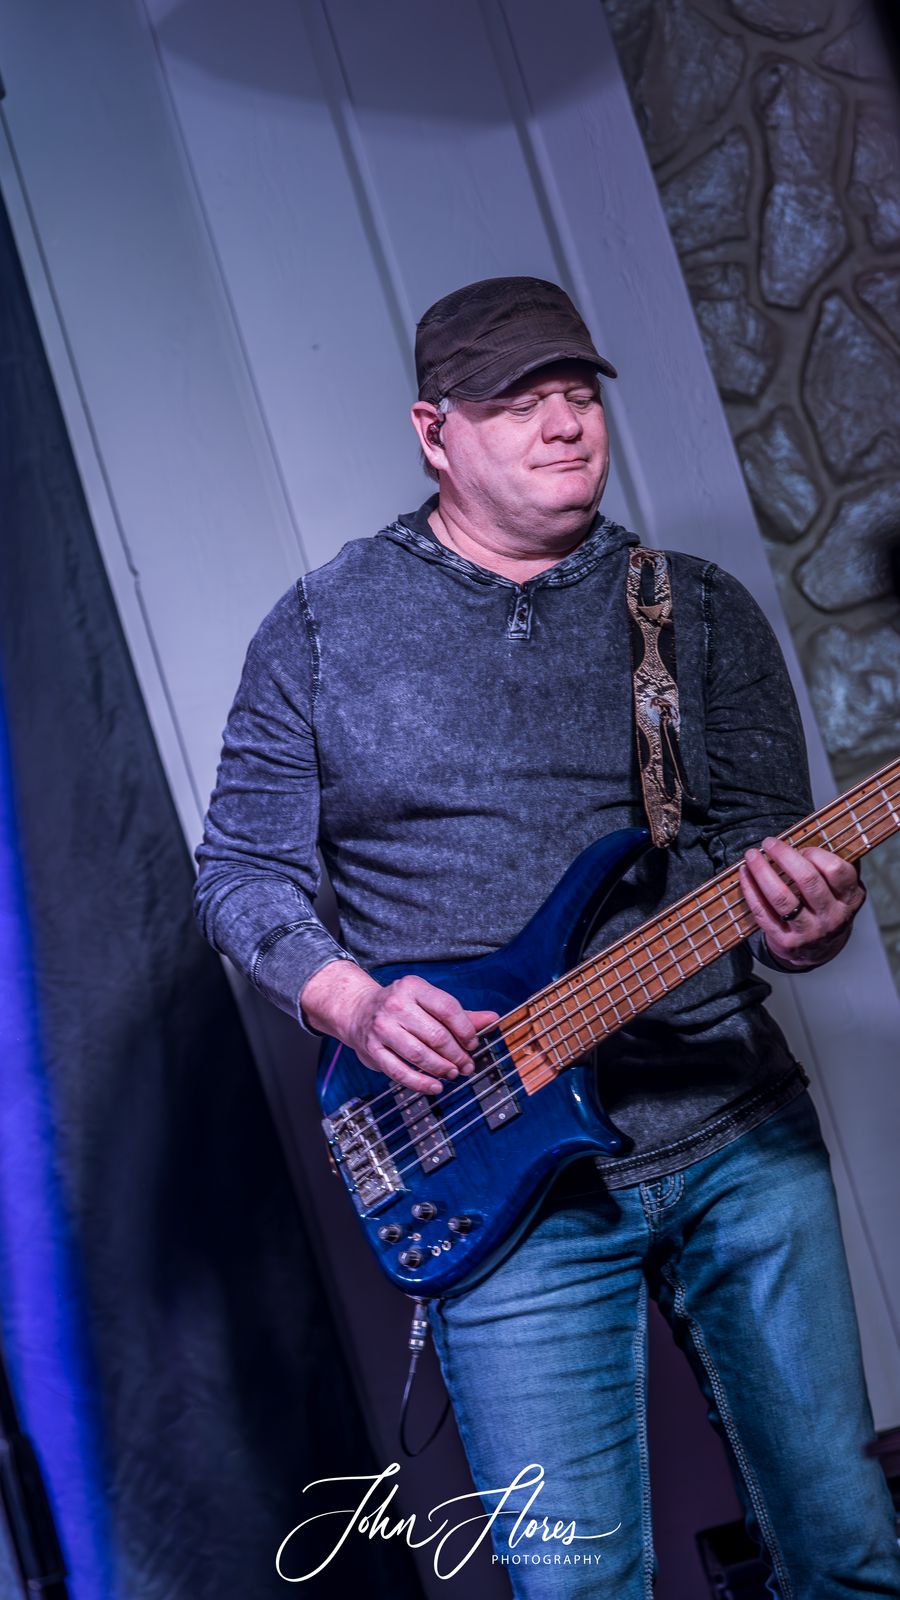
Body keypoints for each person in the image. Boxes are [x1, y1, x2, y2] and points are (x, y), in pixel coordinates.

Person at [193, 277, 900, 1598]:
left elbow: (769, 871)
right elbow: (240, 871)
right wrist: (350, 1001)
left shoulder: (695, 610)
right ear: (434, 432)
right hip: (495, 1171)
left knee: (851, 1557)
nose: (565, 424)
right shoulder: (322, 631)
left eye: (578, 395)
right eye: (520, 403)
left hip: (736, 1137)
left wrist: (814, 926)